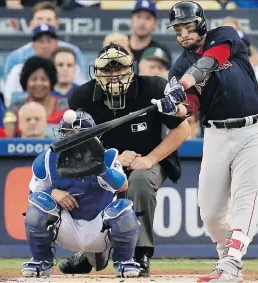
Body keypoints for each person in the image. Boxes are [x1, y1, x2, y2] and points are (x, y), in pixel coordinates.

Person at [150, 2, 258, 282]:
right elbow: (190, 108)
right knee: (210, 212)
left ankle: (231, 263)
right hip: (216, 135)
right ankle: (226, 257)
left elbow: (209, 63)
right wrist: (174, 107)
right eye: (177, 30)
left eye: (188, 26)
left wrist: (179, 86)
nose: (183, 34)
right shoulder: (180, 65)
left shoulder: (225, 35)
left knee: (246, 200)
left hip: (253, 131)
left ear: (201, 23)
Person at [57, 43, 190, 277]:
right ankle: (90, 253)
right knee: (87, 182)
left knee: (138, 181)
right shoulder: (82, 96)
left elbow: (183, 130)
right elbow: (78, 144)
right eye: (107, 71)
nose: (114, 76)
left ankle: (140, 253)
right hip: (104, 160)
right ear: (96, 72)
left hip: (149, 158)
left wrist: (149, 159)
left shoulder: (153, 88)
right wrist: (114, 158)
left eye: (119, 70)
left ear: (132, 69)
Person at [21, 110, 141, 278]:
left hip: (99, 228)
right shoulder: (48, 159)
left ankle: (123, 261)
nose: (72, 137)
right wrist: (53, 192)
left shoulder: (106, 156)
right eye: (67, 133)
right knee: (38, 206)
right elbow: (33, 193)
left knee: (123, 209)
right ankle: (41, 261)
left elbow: (123, 185)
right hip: (66, 227)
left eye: (77, 133)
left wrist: (101, 169)